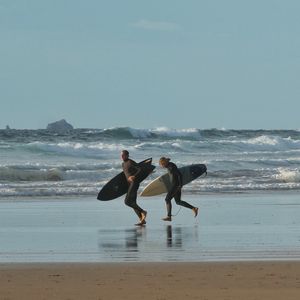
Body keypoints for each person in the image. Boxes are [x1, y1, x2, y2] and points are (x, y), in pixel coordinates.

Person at [159, 157, 198, 221]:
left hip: (175, 185)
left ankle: (169, 216)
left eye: (162, 164)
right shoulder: (169, 165)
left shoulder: (171, 166)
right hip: (175, 185)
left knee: (167, 199)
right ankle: (194, 208)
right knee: (178, 201)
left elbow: (179, 174)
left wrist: (180, 185)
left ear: (164, 163)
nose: (161, 166)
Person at [121, 150, 147, 226]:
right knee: (133, 203)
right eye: (121, 155)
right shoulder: (123, 164)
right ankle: (142, 220)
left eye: (123, 155)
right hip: (130, 184)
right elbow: (125, 174)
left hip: (134, 183)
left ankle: (143, 211)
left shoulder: (130, 162)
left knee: (127, 202)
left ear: (127, 155)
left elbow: (140, 169)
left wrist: (134, 176)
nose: (122, 157)